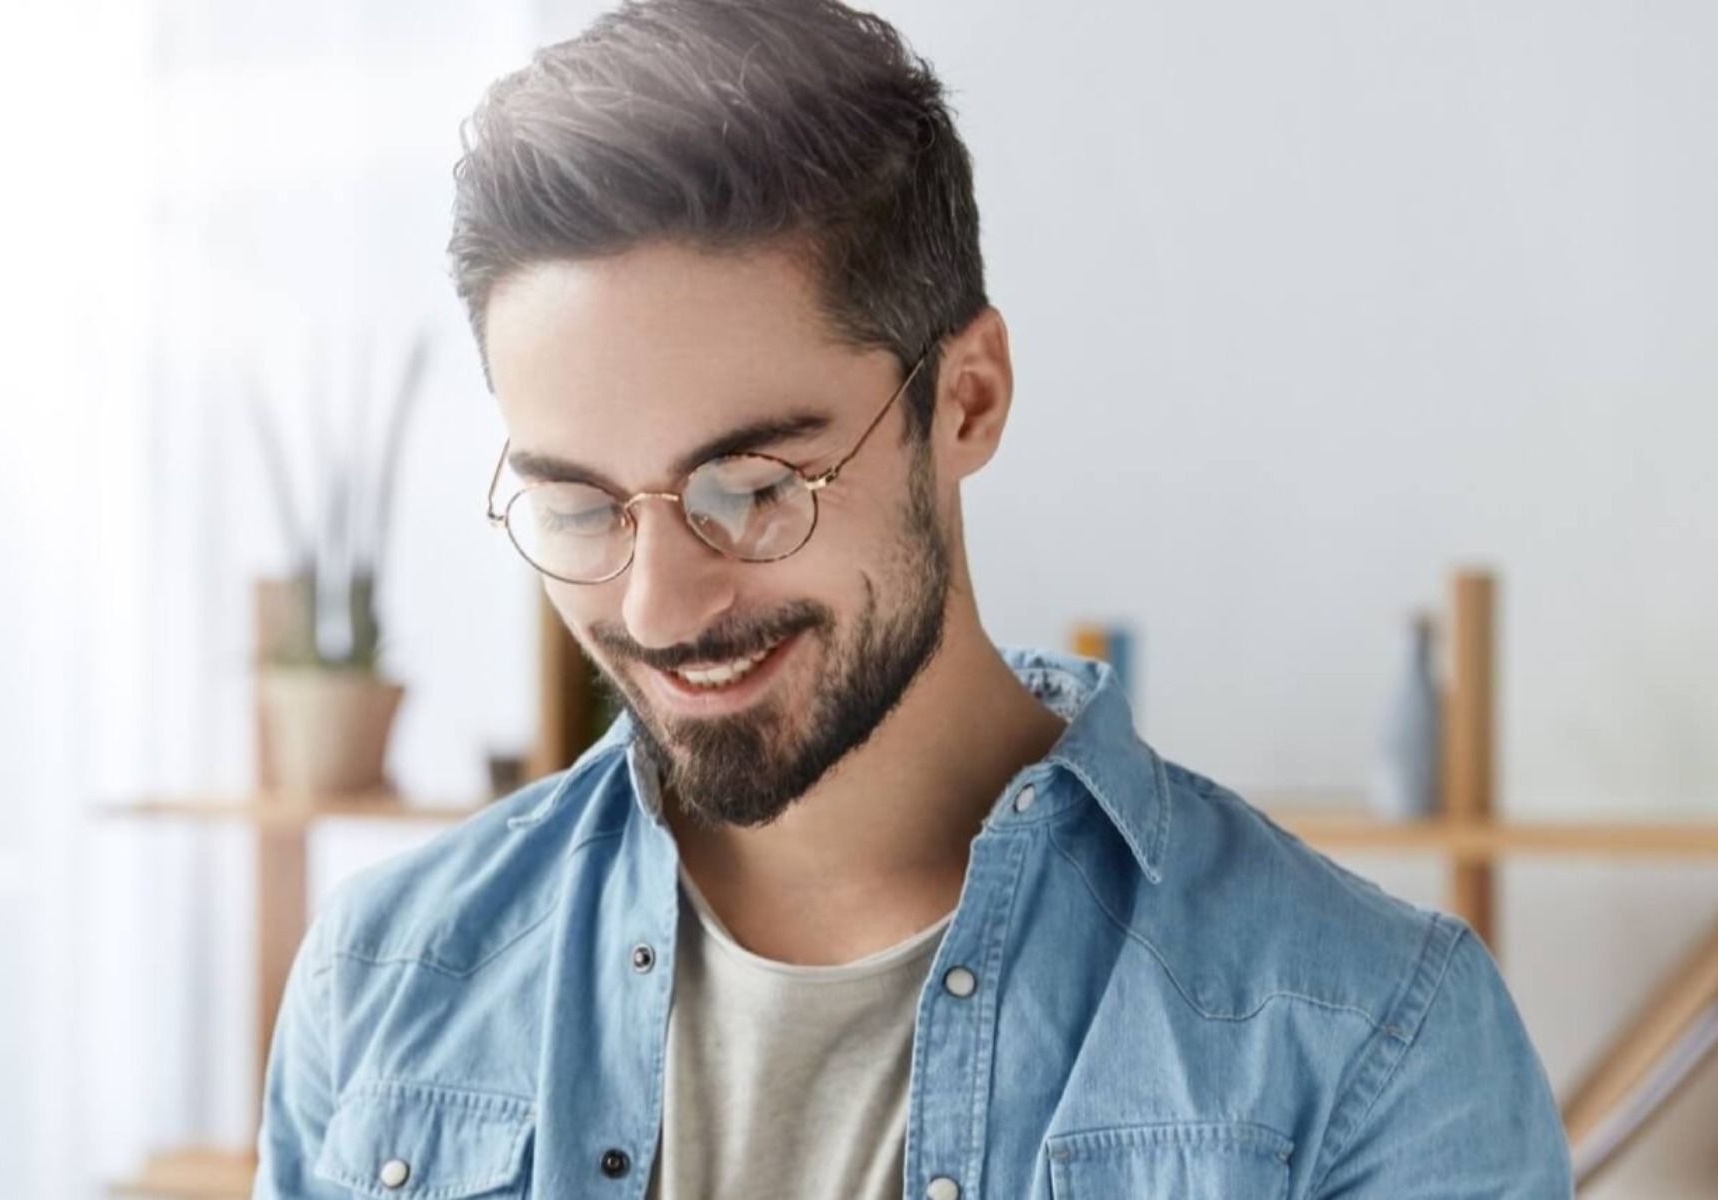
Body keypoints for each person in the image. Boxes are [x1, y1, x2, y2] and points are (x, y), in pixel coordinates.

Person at [252, 1, 1572, 1196]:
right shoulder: (381, 986)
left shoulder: (1368, 1045)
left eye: (751, 487)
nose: (659, 606)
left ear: (969, 398)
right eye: (582, 507)